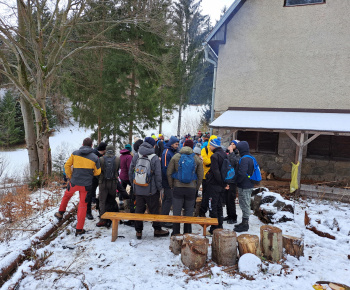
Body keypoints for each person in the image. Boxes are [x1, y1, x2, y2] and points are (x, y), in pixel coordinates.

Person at [55, 138, 101, 236]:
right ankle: (79, 229)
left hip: (74, 183)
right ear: (92, 146)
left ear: (82, 144)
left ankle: (60, 213)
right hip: (86, 185)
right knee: (83, 205)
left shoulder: (75, 154)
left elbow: (67, 166)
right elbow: (98, 172)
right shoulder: (94, 157)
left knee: (66, 196)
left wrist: (71, 176)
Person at [129, 137, 169, 240]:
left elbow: (131, 172)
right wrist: (160, 188)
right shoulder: (154, 157)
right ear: (153, 145)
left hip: (138, 188)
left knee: (139, 210)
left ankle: (138, 231)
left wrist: (134, 185)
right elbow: (158, 175)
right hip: (151, 190)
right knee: (155, 209)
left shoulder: (137, 155)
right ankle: (157, 229)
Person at [167, 139, 203, 235]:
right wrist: (196, 187)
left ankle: (176, 233)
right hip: (191, 189)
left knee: (177, 212)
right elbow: (200, 175)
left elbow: (169, 173)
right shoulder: (196, 158)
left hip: (178, 188)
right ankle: (187, 233)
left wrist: (172, 185)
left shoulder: (176, 157)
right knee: (189, 212)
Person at [205, 137, 227, 234]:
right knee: (219, 205)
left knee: (212, 206)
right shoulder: (224, 154)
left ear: (214, 145)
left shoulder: (214, 157)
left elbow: (216, 172)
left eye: (210, 145)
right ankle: (220, 225)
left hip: (215, 184)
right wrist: (225, 183)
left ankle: (213, 228)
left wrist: (220, 182)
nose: (209, 147)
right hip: (222, 185)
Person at [96, 145, 120, 227]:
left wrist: (99, 179)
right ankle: (111, 217)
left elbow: (97, 171)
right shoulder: (117, 159)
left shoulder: (101, 159)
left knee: (102, 201)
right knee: (111, 200)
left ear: (106, 150)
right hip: (113, 182)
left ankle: (103, 219)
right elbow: (117, 170)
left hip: (103, 182)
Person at [234, 141, 255, 232]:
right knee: (244, 203)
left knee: (245, 204)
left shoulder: (245, 159)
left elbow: (242, 173)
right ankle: (243, 222)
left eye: (238, 149)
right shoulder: (250, 157)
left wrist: (237, 181)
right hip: (247, 184)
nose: (237, 150)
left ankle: (245, 225)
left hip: (245, 185)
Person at [160, 136, 179, 228]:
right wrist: (170, 179)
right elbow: (165, 168)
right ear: (171, 143)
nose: (177, 146)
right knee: (169, 199)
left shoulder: (172, 151)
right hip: (167, 179)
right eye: (176, 144)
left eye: (178, 144)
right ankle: (164, 220)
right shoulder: (166, 152)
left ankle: (163, 217)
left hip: (170, 178)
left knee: (167, 198)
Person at [86, 141, 107, 220]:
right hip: (92, 178)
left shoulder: (99, 154)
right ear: (104, 150)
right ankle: (88, 212)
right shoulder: (94, 155)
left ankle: (97, 207)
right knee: (89, 194)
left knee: (95, 193)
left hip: (97, 177)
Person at [199, 134, 217, 217]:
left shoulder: (216, 150)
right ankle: (202, 211)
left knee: (211, 196)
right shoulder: (204, 149)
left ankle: (211, 211)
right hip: (206, 176)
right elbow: (206, 161)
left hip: (214, 177)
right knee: (205, 196)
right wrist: (214, 160)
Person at [224, 140, 240, 224]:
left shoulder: (237, 155)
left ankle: (234, 217)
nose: (232, 145)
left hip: (233, 180)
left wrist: (231, 152)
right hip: (227, 179)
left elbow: (234, 162)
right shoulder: (229, 153)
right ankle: (229, 215)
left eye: (234, 144)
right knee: (226, 199)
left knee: (231, 199)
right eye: (231, 144)